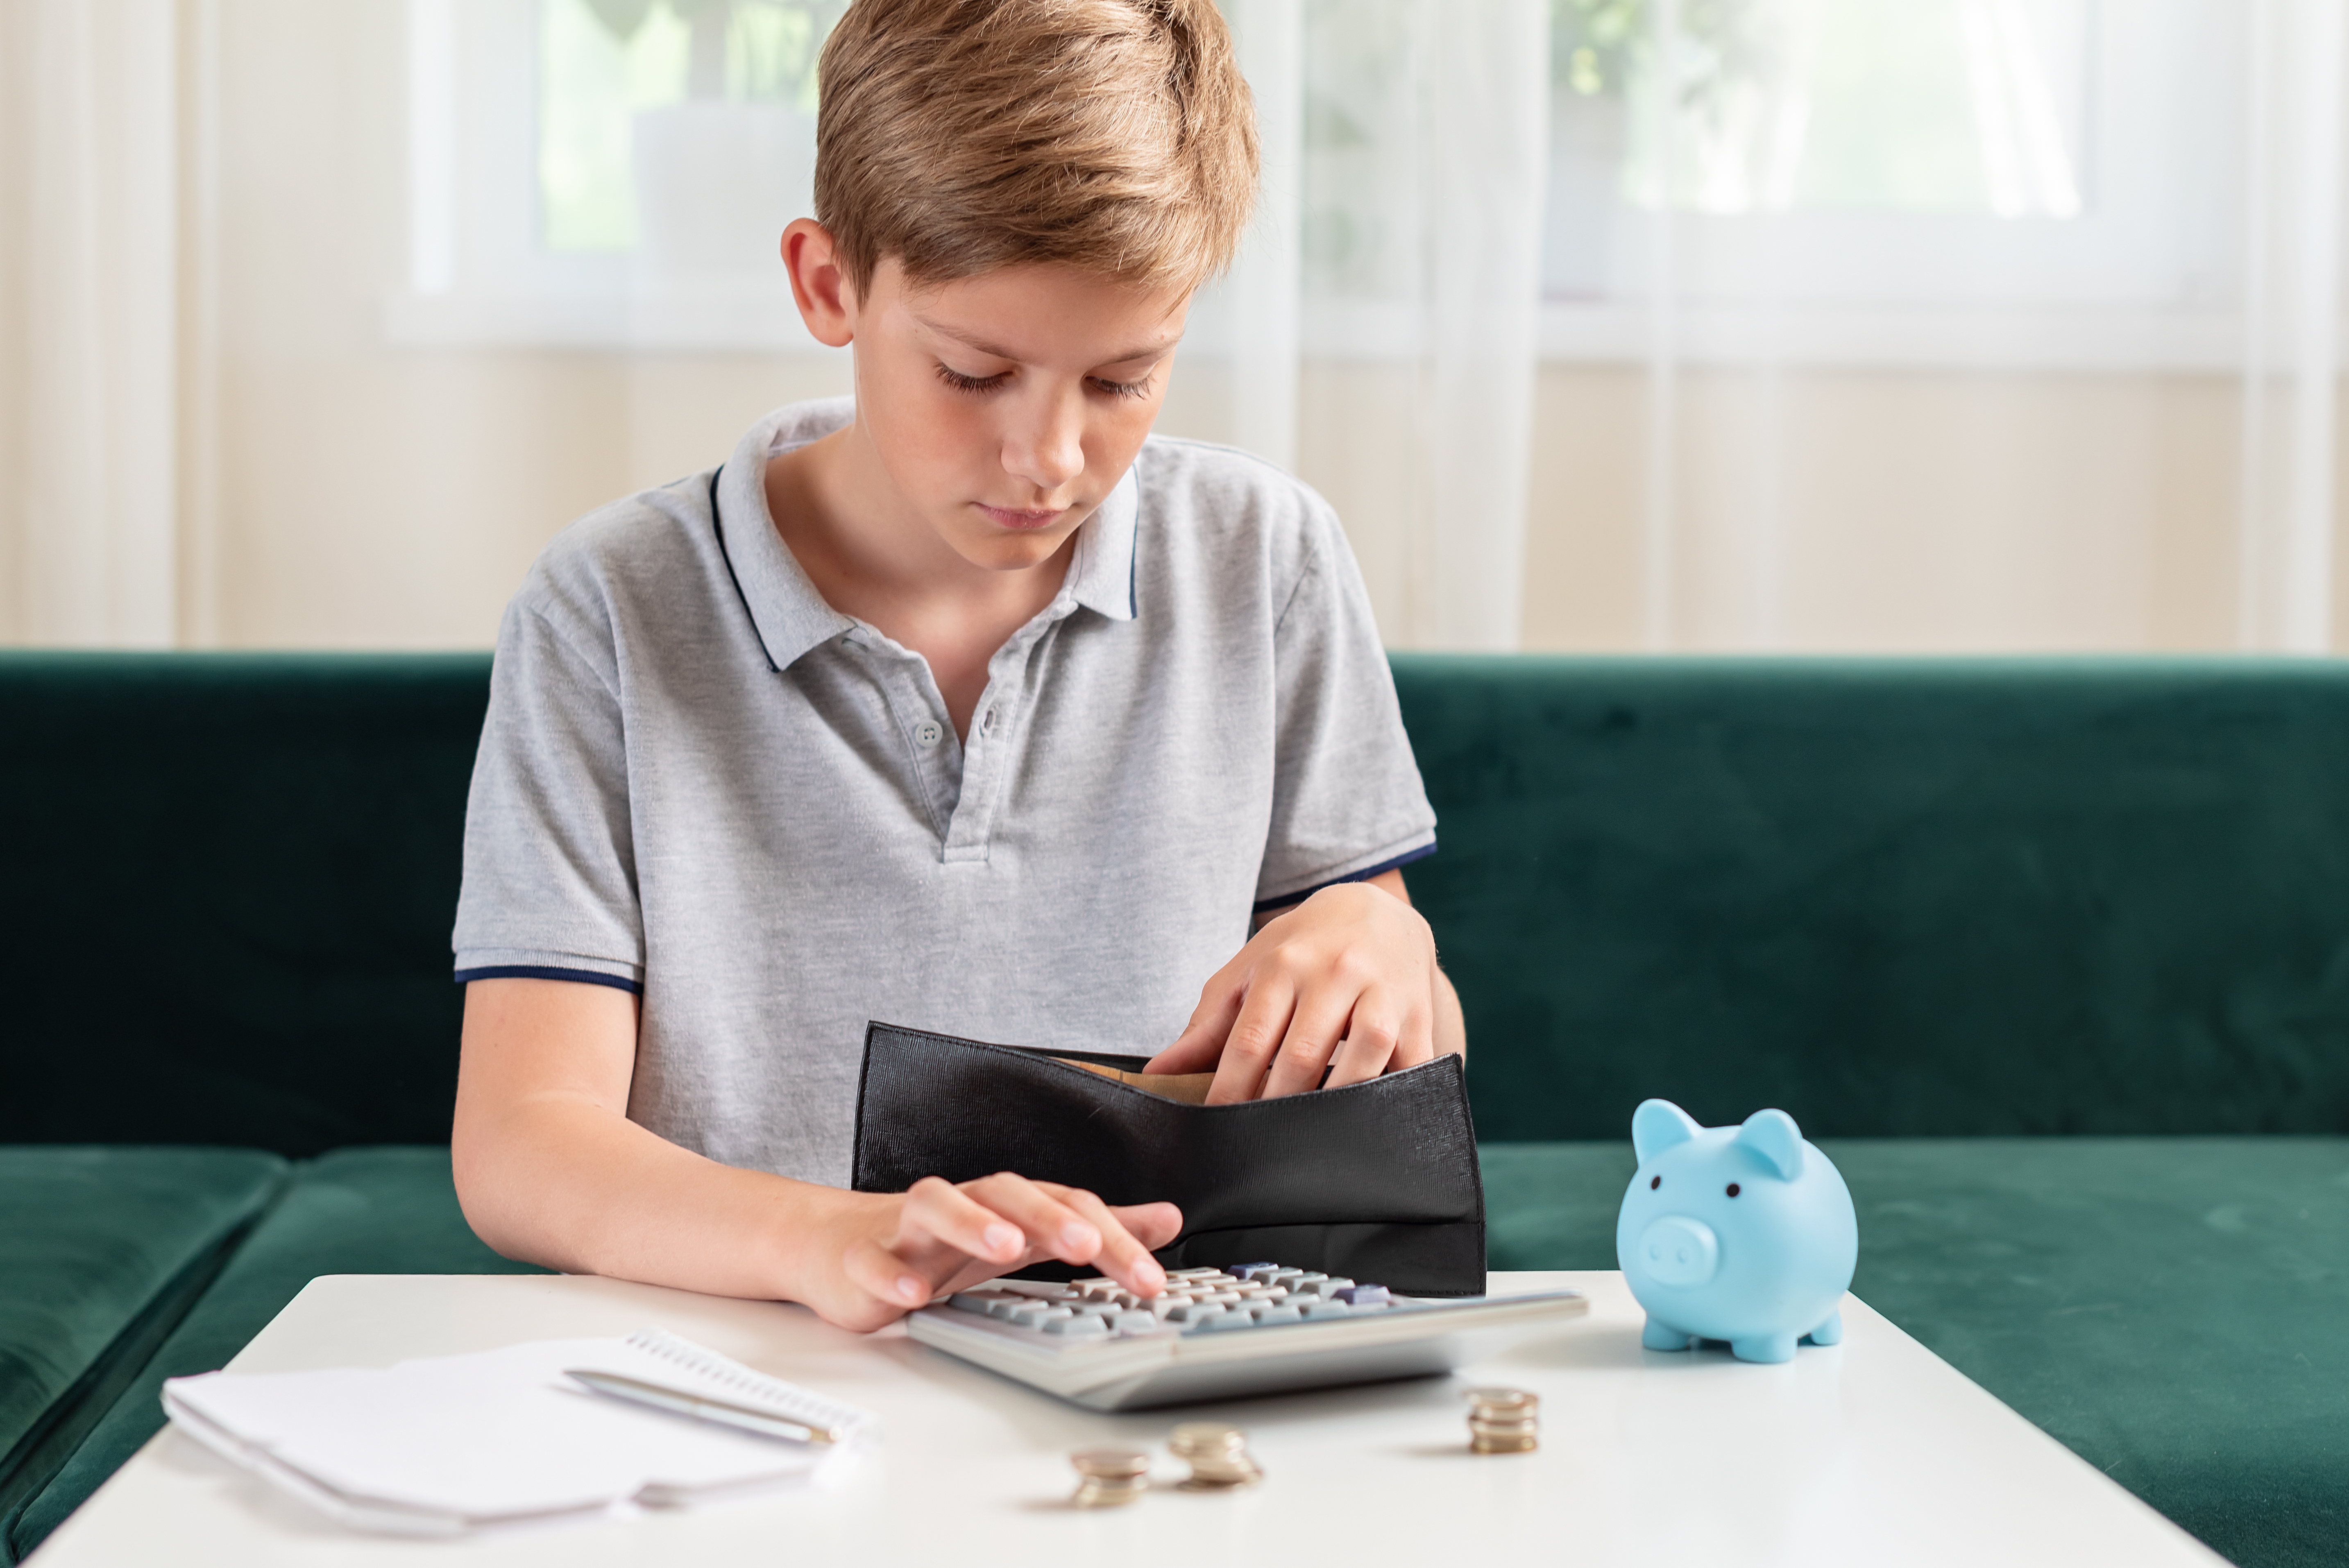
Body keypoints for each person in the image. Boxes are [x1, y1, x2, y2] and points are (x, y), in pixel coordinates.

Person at [449, 0, 1463, 1335]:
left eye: (1123, 380)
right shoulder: (612, 610)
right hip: (747, 1374)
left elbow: (1395, 1047)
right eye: (975, 373)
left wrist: (1394, 942)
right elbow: (522, 1143)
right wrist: (828, 1237)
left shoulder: (1267, 560)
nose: (1049, 459)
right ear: (829, 285)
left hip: (1157, 1365)